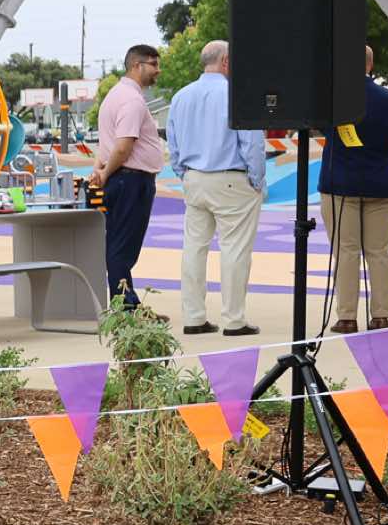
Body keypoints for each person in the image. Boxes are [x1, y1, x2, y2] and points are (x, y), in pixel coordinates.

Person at [166, 40, 265, 337]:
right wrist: (257, 181)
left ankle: (194, 316)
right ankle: (234, 319)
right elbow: (252, 144)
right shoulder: (238, 94)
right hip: (231, 178)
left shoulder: (181, 96)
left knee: (194, 248)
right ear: (225, 61)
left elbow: (172, 143)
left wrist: (184, 173)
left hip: (194, 178)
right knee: (235, 249)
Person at [320, 46, 388, 334]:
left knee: (346, 250)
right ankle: (381, 315)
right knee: (379, 251)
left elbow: (322, 129)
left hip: (340, 183)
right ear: (371, 65)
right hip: (381, 183)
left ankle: (347, 317)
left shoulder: (334, 99)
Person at [87, 45, 165, 314]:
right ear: (136, 66)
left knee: (119, 245)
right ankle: (124, 310)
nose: (158, 70)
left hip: (123, 179)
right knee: (122, 248)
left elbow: (106, 145)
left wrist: (100, 170)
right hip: (131, 180)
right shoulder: (132, 101)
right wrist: (105, 173)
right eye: (153, 64)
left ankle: (128, 305)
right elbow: (122, 147)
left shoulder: (115, 96)